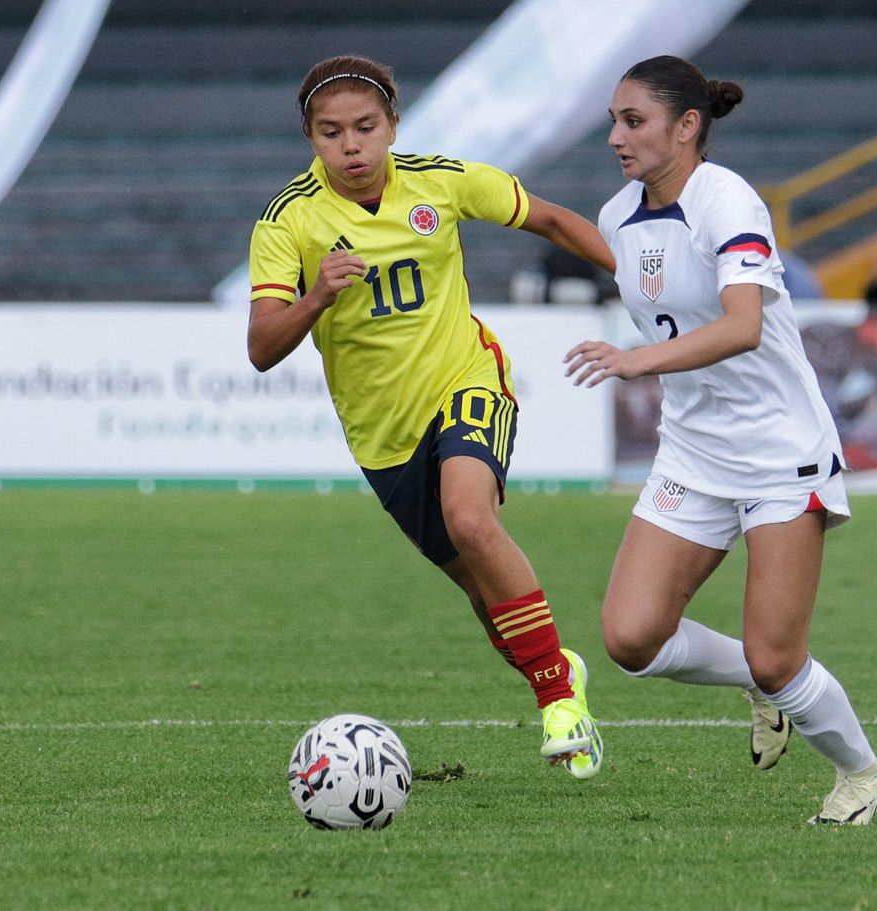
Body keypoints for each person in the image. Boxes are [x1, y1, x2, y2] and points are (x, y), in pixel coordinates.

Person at [246, 55, 611, 777]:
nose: (350, 146)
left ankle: (561, 701)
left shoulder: (441, 182)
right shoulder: (287, 222)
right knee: (487, 601)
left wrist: (639, 278)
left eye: (364, 128)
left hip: (466, 380)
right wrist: (314, 298)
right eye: (330, 133)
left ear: (392, 126)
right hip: (384, 437)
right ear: (309, 137)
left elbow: (552, 219)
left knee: (472, 519)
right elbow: (261, 347)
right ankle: (554, 666)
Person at [564, 55, 877, 825]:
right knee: (631, 636)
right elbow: (579, 234)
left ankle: (863, 773)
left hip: (781, 451)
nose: (615, 135)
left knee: (783, 654)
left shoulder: (728, 198)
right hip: (693, 453)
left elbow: (743, 326)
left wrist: (636, 359)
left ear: (686, 127)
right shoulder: (619, 216)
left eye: (632, 120)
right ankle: (758, 683)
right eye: (613, 119)